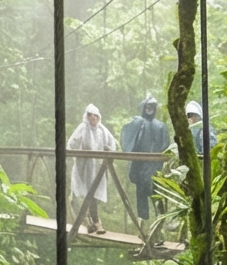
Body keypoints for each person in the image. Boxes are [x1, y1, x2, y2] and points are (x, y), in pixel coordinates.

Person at [118, 96, 171, 224]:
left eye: (152, 107)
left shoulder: (160, 126)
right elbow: (128, 141)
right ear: (143, 107)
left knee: (156, 197)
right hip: (141, 169)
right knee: (142, 199)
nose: (150, 109)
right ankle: (143, 229)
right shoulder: (138, 123)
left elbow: (165, 146)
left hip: (155, 169)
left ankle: (158, 228)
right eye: (147, 106)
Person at [67, 104, 119, 233]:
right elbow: (72, 143)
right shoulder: (83, 128)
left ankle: (95, 223)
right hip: (84, 167)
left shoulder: (102, 130)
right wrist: (80, 153)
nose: (93, 118)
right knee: (82, 195)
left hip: (97, 167)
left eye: (95, 116)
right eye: (91, 116)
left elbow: (112, 143)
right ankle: (89, 223)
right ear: (87, 116)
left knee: (93, 194)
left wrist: (108, 152)